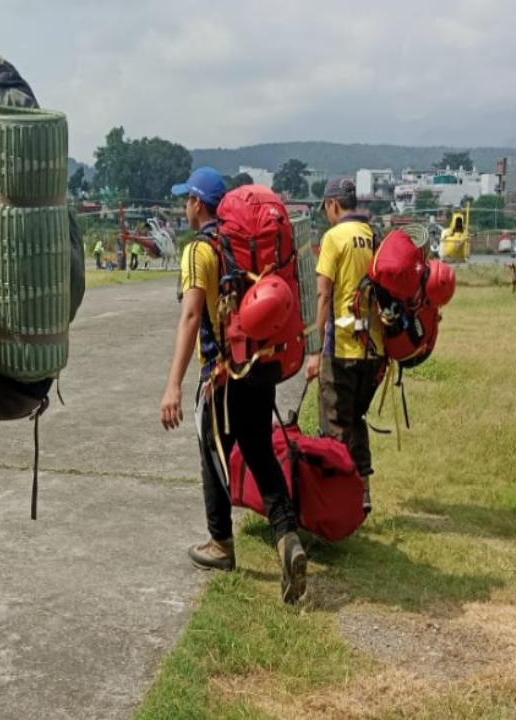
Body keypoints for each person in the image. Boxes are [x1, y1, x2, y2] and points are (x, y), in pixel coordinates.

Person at [160, 167, 308, 605]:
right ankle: (287, 537)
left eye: (185, 198)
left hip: (222, 374)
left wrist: (173, 386)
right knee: (260, 452)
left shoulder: (199, 252)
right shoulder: (244, 250)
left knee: (210, 451)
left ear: (196, 203)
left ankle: (221, 544)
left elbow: (191, 317)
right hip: (261, 366)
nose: (183, 206)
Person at [305, 177, 384, 516]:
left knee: (334, 426)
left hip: (341, 350)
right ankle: (363, 491)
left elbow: (324, 294)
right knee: (357, 419)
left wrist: (313, 348)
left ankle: (338, 501)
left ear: (333, 204)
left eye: (325, 208)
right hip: (374, 352)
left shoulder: (333, 238)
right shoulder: (374, 236)